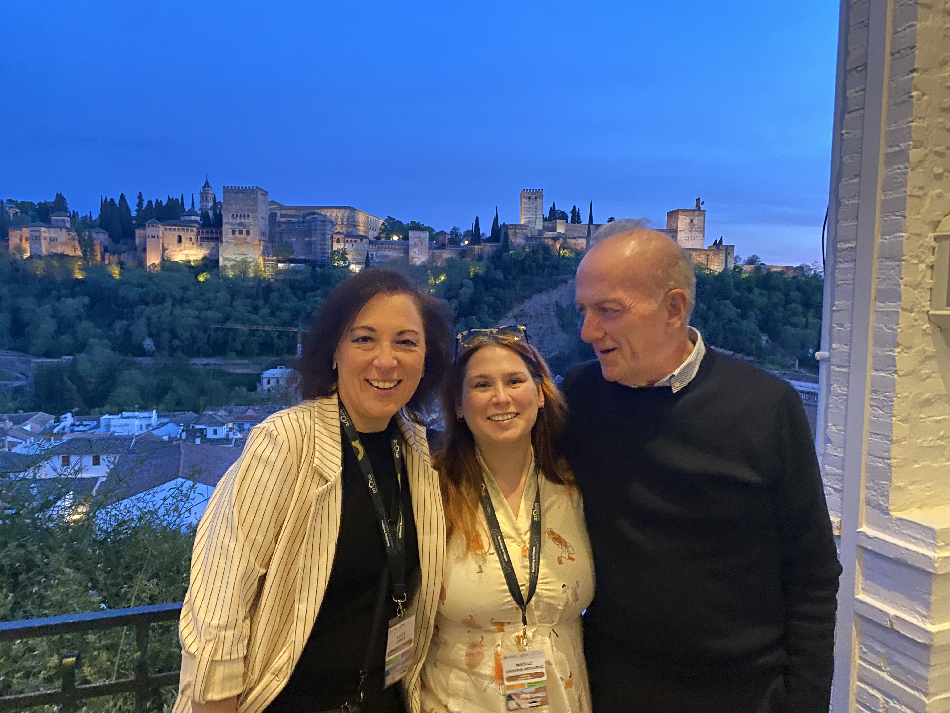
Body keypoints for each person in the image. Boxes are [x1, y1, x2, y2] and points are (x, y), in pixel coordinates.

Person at [565, 224, 842, 713]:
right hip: (610, 687)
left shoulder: (766, 406)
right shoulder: (581, 396)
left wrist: (804, 702)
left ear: (674, 308)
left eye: (608, 310)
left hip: (742, 693)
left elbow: (812, 573)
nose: (588, 332)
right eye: (584, 311)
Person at [173, 268, 453, 713]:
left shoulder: (420, 450)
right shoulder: (286, 443)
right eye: (364, 339)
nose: (386, 360)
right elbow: (219, 605)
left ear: (427, 358)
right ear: (334, 353)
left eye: (406, 341)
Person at [421, 326, 594, 713]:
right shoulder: (429, 489)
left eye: (515, 380)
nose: (501, 398)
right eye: (481, 385)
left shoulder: (576, 485)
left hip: (564, 700)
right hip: (459, 701)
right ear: (459, 406)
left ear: (540, 393)